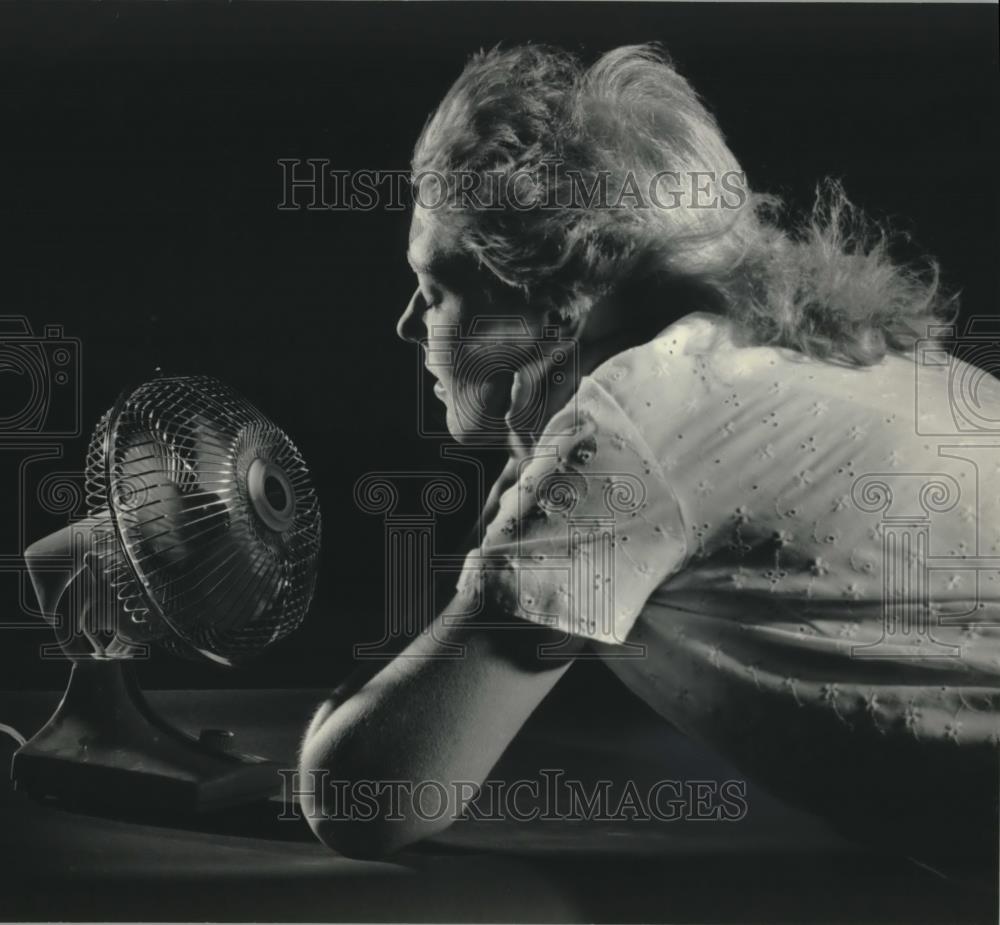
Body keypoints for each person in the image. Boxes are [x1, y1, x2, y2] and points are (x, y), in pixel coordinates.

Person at [299, 43, 1000, 867]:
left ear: (557, 300)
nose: (409, 325)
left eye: (437, 287)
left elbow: (368, 796)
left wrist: (330, 721)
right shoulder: (864, 353)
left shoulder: (634, 422)